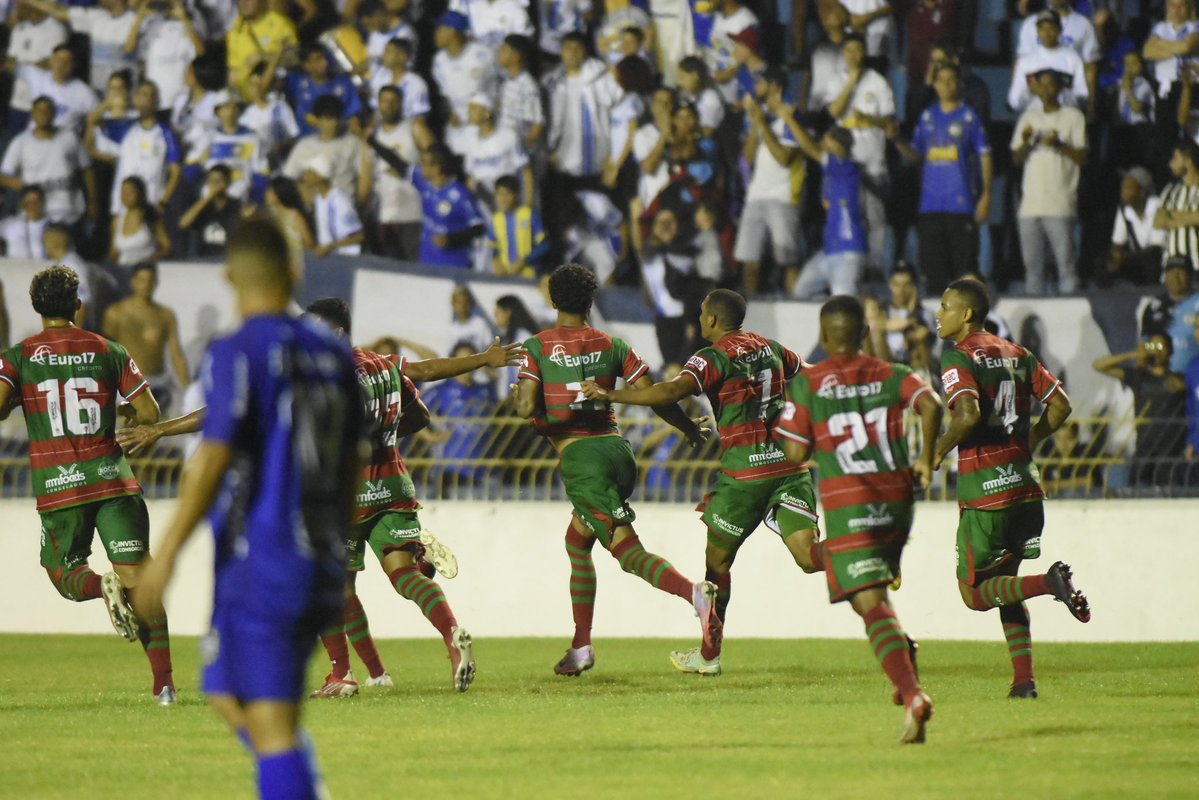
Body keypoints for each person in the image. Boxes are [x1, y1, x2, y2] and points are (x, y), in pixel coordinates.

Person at [131, 216, 358, 799]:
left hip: (268, 557)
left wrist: (167, 553)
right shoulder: (336, 358)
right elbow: (350, 461)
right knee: (227, 691)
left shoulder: (239, 349)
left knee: (272, 723)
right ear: (296, 269)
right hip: (319, 556)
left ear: (229, 275)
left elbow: (211, 457)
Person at [582, 289, 821, 676]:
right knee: (810, 557)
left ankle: (710, 656)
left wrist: (611, 394)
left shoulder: (710, 357)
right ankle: (864, 557)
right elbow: (812, 374)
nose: (699, 319)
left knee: (716, 566)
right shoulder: (772, 348)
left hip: (744, 474)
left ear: (711, 320)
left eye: (701, 313)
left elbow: (670, 391)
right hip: (790, 467)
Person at [305, 299, 523, 694]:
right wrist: (484, 359)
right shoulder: (382, 364)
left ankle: (342, 674)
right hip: (393, 483)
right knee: (403, 574)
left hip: (345, 493)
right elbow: (423, 391)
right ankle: (447, 636)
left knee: (334, 583)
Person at [512, 264, 719, 676]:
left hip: (582, 460)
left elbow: (523, 408)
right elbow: (655, 395)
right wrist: (685, 428)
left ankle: (694, 594)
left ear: (552, 300)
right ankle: (580, 646)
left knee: (627, 552)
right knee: (577, 541)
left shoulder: (537, 347)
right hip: (619, 453)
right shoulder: (614, 344)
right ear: (590, 301)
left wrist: (524, 395)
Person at [0, 266, 174, 703]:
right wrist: (130, 424)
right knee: (141, 580)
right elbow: (149, 413)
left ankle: (100, 586)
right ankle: (165, 686)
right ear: (79, 305)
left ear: (37, 308)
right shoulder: (108, 349)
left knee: (63, 571)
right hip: (115, 480)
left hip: (60, 485)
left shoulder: (19, 356)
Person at [776, 295, 941, 744]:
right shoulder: (893, 374)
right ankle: (902, 657)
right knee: (867, 596)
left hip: (851, 503)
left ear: (825, 335)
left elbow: (794, 453)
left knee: (867, 603)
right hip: (898, 501)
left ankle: (913, 695)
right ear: (865, 334)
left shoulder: (811, 383)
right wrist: (925, 460)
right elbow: (932, 405)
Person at [932, 277, 1091, 698]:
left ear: (966, 314)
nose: (938, 314)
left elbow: (966, 415)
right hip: (1026, 487)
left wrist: (935, 451)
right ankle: (1024, 682)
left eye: (945, 306)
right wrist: (1032, 441)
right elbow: (1062, 405)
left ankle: (1050, 583)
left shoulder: (957, 357)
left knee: (974, 594)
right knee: (1006, 585)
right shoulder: (1018, 353)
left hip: (987, 495)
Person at [892, 63, 992, 294]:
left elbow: (985, 156)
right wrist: (897, 140)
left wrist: (986, 194)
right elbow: (916, 155)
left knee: (965, 275)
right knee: (934, 274)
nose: (946, 85)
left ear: (959, 84)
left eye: (951, 80)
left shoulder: (969, 117)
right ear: (934, 84)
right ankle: (939, 328)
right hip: (930, 208)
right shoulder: (927, 117)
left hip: (962, 206)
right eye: (941, 80)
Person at [1011, 69, 1087, 294]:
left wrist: (1060, 144)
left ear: (1061, 88)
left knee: (1066, 269)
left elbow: (1083, 157)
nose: (1046, 89)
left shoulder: (1073, 117)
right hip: (1030, 206)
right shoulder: (1028, 117)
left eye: (1051, 85)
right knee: (1032, 271)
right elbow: (1016, 158)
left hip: (1060, 204)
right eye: (1041, 85)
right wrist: (1025, 142)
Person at [735, 65, 803, 295]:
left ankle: (794, 305)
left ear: (774, 87)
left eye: (760, 83)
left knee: (787, 259)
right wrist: (755, 127)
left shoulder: (792, 116)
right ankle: (748, 312)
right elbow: (747, 157)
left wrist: (763, 124)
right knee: (749, 258)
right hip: (756, 195)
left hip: (783, 196)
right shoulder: (758, 117)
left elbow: (784, 158)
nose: (755, 88)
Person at [1093, 333, 1188, 487]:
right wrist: (1133, 354)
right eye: (1153, 346)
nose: (1157, 350)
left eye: (1161, 346)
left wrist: (1184, 386)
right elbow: (1099, 365)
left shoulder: (1180, 379)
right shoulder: (1140, 377)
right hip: (1145, 451)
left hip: (1171, 454)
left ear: (1170, 350)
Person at [102, 262, 190, 412]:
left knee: (159, 430)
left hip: (158, 383)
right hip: (126, 384)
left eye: (150, 280)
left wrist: (189, 390)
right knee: (127, 432)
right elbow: (106, 353)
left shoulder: (165, 315)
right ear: (133, 282)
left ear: (156, 283)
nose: (146, 285)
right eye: (141, 280)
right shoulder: (116, 313)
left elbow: (176, 354)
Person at [88, 81, 182, 215]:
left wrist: (163, 202)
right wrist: (109, 102)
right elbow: (92, 120)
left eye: (151, 95)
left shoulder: (167, 132)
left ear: (157, 101)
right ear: (136, 99)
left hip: (151, 206)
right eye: (143, 94)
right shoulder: (126, 127)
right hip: (122, 207)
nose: (147, 99)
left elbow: (176, 172)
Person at [0, 95, 94, 225]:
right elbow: (4, 175)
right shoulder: (20, 142)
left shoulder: (70, 137)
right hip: (37, 214)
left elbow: (87, 170)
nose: (43, 114)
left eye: (47, 110)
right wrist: (19, 184)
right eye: (39, 111)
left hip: (69, 212)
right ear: (32, 114)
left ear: (54, 113)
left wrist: (93, 202)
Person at [414, 144, 486, 269]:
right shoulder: (424, 185)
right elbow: (399, 165)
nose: (420, 167)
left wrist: (451, 240)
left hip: (454, 265)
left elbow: (478, 227)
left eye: (424, 163)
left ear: (437, 168)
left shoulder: (461, 194)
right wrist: (371, 141)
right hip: (426, 263)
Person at [282, 95, 367, 199]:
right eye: (329, 118)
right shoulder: (304, 146)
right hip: (314, 208)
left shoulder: (353, 143)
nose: (334, 123)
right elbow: (288, 178)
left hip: (346, 205)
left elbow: (364, 176)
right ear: (318, 120)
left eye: (337, 118)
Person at [226, 0, 299, 96]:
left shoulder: (280, 24)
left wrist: (264, 57)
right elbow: (233, 72)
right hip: (250, 99)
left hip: (279, 92)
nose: (244, 3)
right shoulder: (235, 31)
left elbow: (295, 59)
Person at [1108, 166, 1166, 285]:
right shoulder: (1124, 210)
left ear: (1142, 193)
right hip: (1136, 258)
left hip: (1159, 259)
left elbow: (1156, 247)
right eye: (1123, 188)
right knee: (1104, 262)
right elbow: (1118, 242)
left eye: (1128, 188)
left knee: (1150, 259)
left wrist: (1123, 257)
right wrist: (1116, 255)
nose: (1123, 192)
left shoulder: (1158, 207)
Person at [302, 154, 365, 256]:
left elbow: (358, 236)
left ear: (320, 176)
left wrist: (331, 246)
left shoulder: (339, 200)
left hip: (345, 259)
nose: (305, 175)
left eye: (309, 172)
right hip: (330, 259)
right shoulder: (319, 199)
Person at [489, 174, 550, 277]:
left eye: (508, 194)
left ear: (516, 194)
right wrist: (496, 262)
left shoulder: (529, 214)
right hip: (505, 275)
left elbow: (545, 245)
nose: (503, 199)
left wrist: (525, 261)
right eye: (500, 194)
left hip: (529, 275)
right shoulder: (496, 219)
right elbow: (495, 248)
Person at [1154, 138, 1199, 273]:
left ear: (1188, 161)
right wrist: (1191, 217)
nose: (1170, 163)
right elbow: (1158, 221)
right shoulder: (1170, 189)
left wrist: (1171, 216)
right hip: (1171, 266)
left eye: (1175, 158)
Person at [180, 164, 244, 257]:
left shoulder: (236, 205)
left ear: (228, 182)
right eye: (211, 181)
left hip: (227, 257)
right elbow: (184, 223)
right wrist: (208, 197)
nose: (214, 185)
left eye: (218, 181)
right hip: (204, 259)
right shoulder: (203, 206)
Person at [108, 176, 172, 267]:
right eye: (123, 192)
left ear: (141, 194)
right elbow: (114, 251)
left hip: (147, 270)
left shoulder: (151, 217)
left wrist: (151, 259)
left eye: (130, 192)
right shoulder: (117, 220)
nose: (125, 195)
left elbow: (167, 247)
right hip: (124, 269)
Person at [0, 184, 49, 259]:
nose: (32, 206)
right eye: (28, 202)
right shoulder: (11, 225)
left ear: (43, 202)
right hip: (15, 269)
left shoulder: (52, 224)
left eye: (36, 201)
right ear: (22, 204)